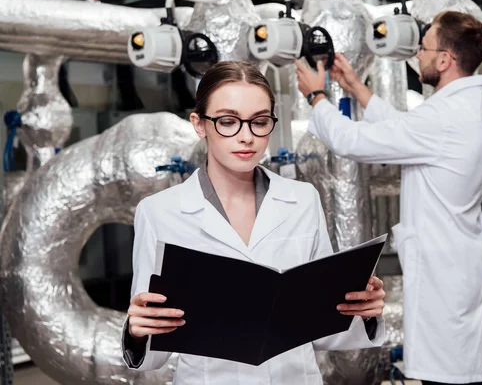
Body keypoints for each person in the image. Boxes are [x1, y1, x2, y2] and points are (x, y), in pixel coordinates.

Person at [120, 61, 387, 385]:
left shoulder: (302, 200)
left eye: (259, 122)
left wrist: (364, 310)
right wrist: (137, 331)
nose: (246, 137)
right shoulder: (160, 212)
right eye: (228, 122)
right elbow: (154, 352)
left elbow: (325, 331)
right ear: (199, 124)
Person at [294, 11, 482, 385]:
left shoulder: (445, 118)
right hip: (463, 257)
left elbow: (350, 141)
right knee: (469, 368)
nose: (417, 56)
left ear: (444, 60)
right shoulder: (479, 107)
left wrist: (316, 96)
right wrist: (357, 88)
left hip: (442, 267)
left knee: (450, 376)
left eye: (424, 48)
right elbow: (408, 131)